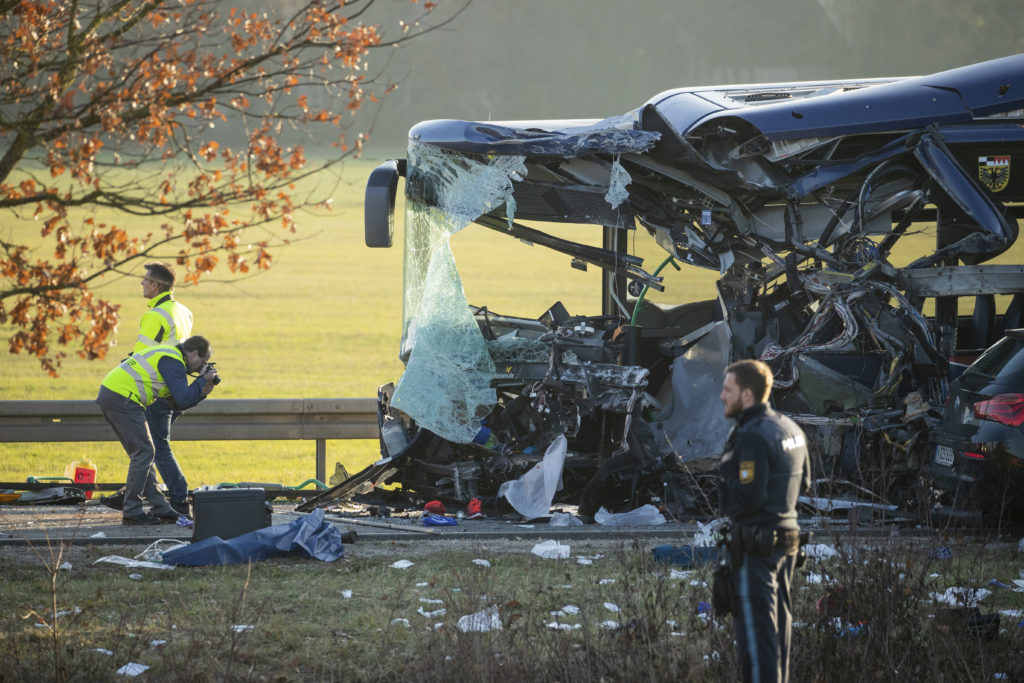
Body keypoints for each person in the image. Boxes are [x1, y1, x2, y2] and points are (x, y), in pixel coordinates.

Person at [718, 359, 810, 683]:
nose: (721, 396)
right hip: (786, 547)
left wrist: (727, 468)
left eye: (727, 390)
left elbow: (747, 498)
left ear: (746, 395)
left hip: (755, 551)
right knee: (777, 640)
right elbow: (805, 485)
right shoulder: (790, 428)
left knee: (757, 646)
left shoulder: (751, 437)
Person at [101, 262, 194, 516]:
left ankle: (176, 500)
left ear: (155, 285)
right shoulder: (184, 312)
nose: (142, 283)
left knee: (153, 448)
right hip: (174, 387)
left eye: (145, 280)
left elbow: (142, 358)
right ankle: (138, 493)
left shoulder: (154, 316)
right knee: (150, 448)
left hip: (155, 388)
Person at [96, 336, 219, 525]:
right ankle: (132, 511)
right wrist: (201, 381)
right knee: (145, 452)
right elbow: (183, 398)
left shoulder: (170, 358)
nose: (199, 368)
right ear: (194, 354)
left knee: (144, 452)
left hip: (116, 395)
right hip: (122, 397)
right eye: (202, 363)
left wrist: (203, 392)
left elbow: (178, 403)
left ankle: (160, 507)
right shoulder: (173, 360)